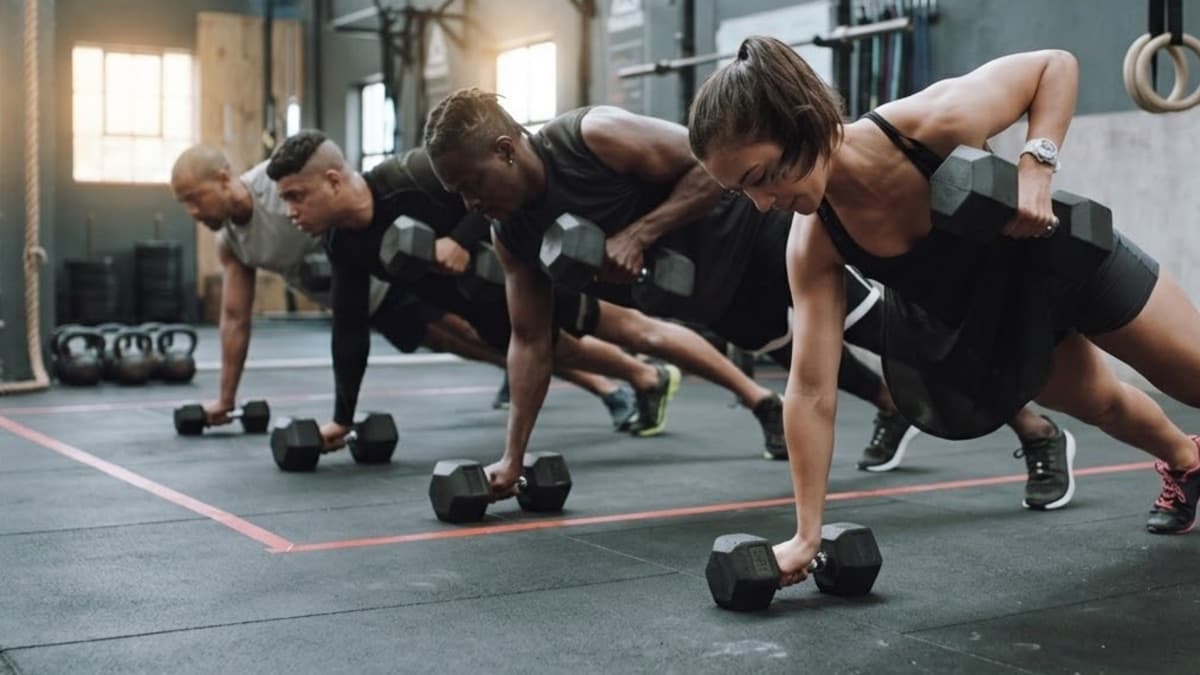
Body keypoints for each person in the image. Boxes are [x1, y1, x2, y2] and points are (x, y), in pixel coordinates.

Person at [688, 38, 1200, 586]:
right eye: (743, 193)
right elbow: (811, 389)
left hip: (1066, 262)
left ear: (799, 121)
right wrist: (805, 535)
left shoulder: (927, 123)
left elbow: (1053, 66)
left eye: (761, 176)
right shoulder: (813, 243)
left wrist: (1036, 163)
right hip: (1000, 318)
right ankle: (1186, 462)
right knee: (1105, 405)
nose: (763, 202)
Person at [422, 89, 1074, 510]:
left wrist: (641, 232)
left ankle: (1037, 430)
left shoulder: (595, 136)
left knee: (887, 332)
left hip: (761, 235)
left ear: (505, 151)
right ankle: (894, 406)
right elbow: (532, 341)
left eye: (469, 183)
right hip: (714, 300)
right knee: (803, 359)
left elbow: (714, 167)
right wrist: (512, 457)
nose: (466, 203)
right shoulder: (512, 234)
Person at [170, 144, 636, 443]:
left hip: (403, 271)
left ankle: (620, 381)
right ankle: (606, 381)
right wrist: (226, 400)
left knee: (514, 335)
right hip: (365, 300)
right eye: (184, 205)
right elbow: (234, 318)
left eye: (194, 197)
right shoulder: (231, 241)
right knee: (477, 344)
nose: (192, 211)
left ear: (225, 178)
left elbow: (344, 188)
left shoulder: (277, 183)